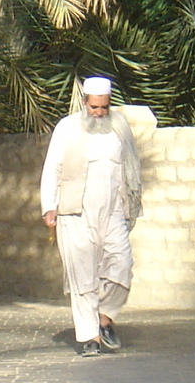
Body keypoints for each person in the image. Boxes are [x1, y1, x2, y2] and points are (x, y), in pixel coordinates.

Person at [41, 76, 143, 356]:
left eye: (104, 108)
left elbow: (131, 165)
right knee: (82, 275)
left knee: (122, 265)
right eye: (94, 107)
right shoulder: (67, 127)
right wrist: (49, 205)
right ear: (84, 102)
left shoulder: (119, 127)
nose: (99, 113)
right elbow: (52, 167)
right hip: (75, 211)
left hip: (112, 212)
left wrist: (131, 203)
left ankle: (105, 318)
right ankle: (89, 338)